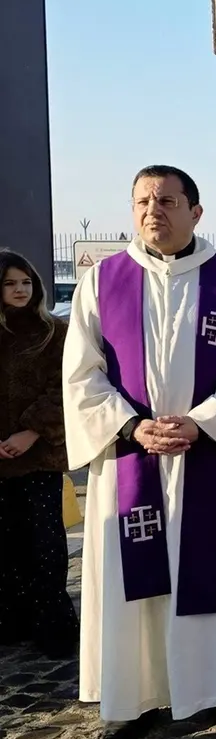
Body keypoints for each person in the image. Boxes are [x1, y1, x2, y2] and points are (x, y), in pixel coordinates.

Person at [63, 165, 216, 739]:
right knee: (136, 583)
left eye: (168, 200)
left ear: (196, 212)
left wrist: (202, 424)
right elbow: (81, 374)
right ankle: (135, 698)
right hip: (132, 458)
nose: (153, 210)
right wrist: (131, 426)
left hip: (207, 456)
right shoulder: (104, 280)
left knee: (214, 579)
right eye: (142, 201)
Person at [0, 251, 78, 658]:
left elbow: (65, 388)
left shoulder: (55, 333)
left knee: (45, 542)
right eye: (11, 283)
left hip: (39, 455)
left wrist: (31, 431)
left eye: (26, 283)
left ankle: (53, 624)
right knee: (6, 543)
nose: (20, 290)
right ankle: (11, 620)